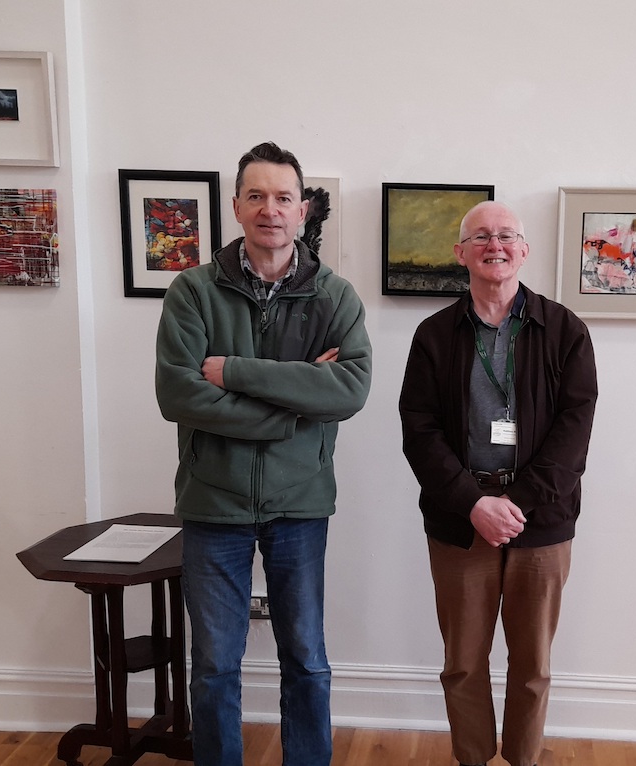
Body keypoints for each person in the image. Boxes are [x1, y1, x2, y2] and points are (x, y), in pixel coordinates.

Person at [155, 141, 372, 766]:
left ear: (302, 210)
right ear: (236, 206)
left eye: (282, 197)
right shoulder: (192, 292)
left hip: (300, 503)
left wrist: (236, 372)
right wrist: (293, 406)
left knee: (306, 659)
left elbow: (351, 388)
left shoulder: (335, 297)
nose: (269, 209)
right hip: (211, 502)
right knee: (216, 665)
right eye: (256, 196)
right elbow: (179, 394)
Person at [399, 201, 598, 766]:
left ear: (525, 250)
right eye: (481, 236)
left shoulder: (565, 330)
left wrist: (515, 503)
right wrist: (474, 503)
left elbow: (574, 430)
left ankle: (524, 759)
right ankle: (472, 759)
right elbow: (420, 431)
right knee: (462, 662)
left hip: (543, 520)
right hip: (460, 521)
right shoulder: (434, 335)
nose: (496, 244)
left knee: (532, 665)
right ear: (461, 253)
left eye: (507, 235)